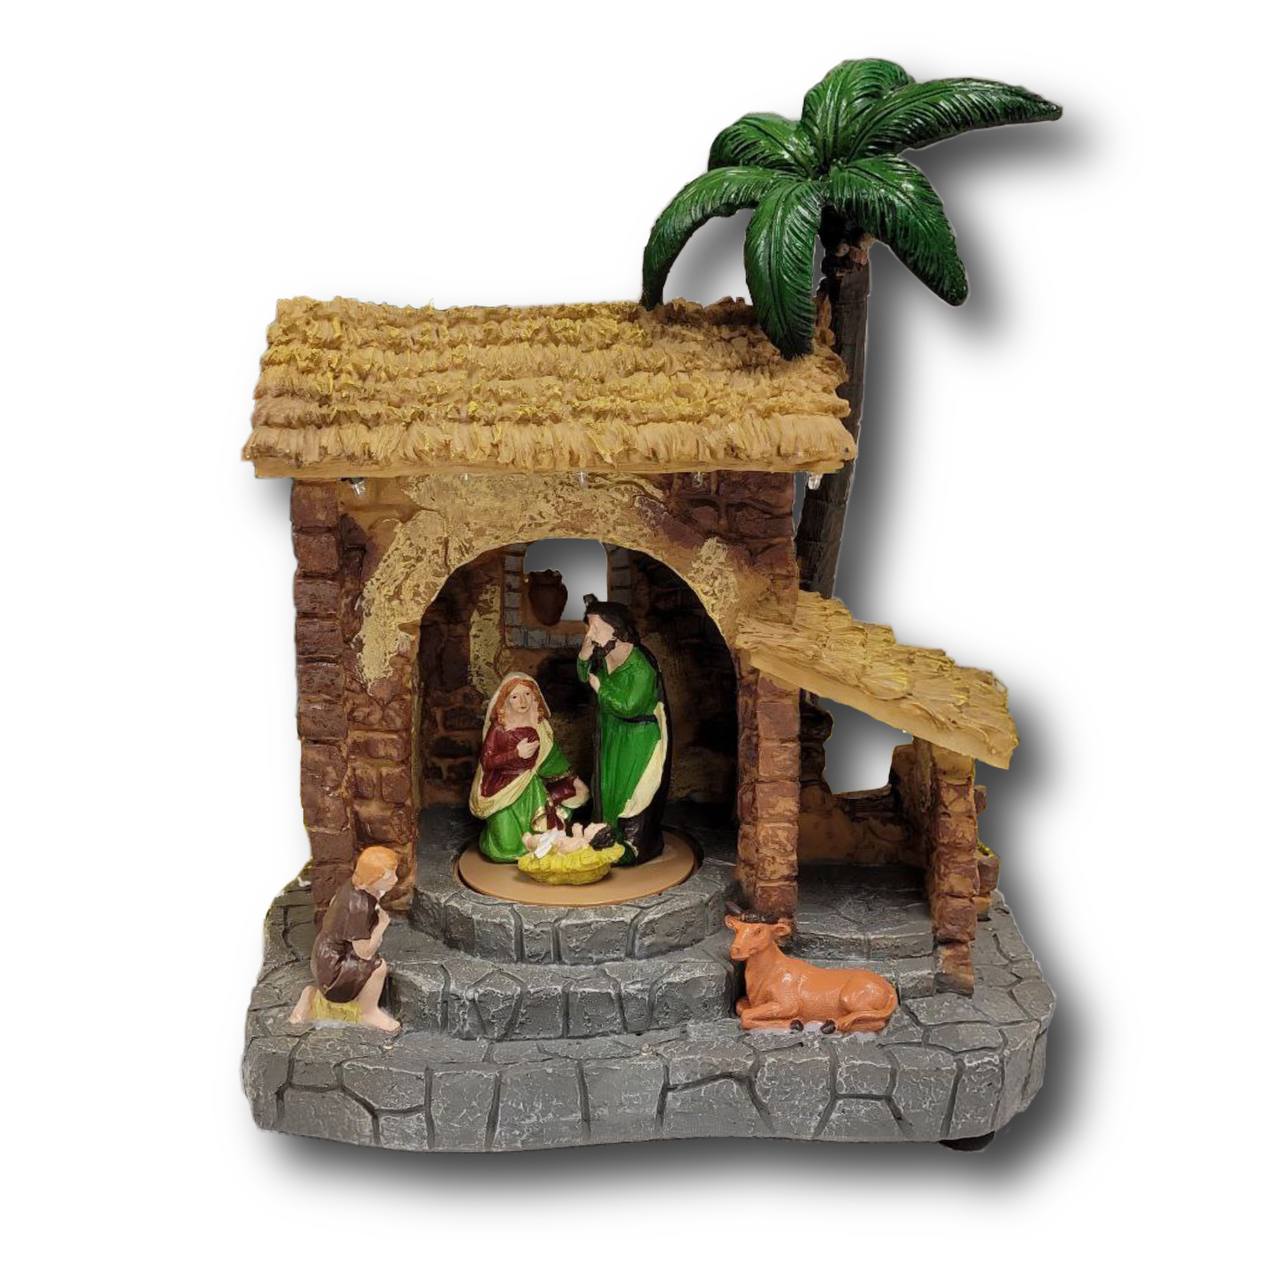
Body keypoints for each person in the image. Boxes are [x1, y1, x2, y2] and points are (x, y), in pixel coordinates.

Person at [576, 595, 670, 864]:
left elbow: (630, 706)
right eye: (588, 627)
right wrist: (583, 657)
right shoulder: (602, 655)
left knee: (629, 789)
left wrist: (601, 690)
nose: (590, 634)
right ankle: (606, 836)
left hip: (636, 737)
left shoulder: (640, 665)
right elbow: (584, 676)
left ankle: (631, 845)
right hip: (612, 733)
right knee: (607, 786)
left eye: (596, 628)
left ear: (616, 629)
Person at [469, 672, 589, 862]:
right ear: (505, 701)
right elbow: (487, 762)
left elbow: (551, 758)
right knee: (506, 848)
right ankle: (494, 837)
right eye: (515, 697)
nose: (522, 701)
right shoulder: (499, 728)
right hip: (502, 789)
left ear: (535, 697)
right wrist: (516, 754)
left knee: (543, 835)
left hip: (532, 790)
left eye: (527, 694)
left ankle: (538, 846)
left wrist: (572, 780)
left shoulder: (540, 727)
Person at [289, 844, 400, 1031]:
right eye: (388, 877)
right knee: (378, 967)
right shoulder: (358, 907)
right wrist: (381, 925)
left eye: (394, 873)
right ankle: (368, 1012)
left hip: (323, 953)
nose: (395, 880)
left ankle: (311, 996)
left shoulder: (354, 885)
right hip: (332, 968)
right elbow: (364, 953)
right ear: (372, 879)